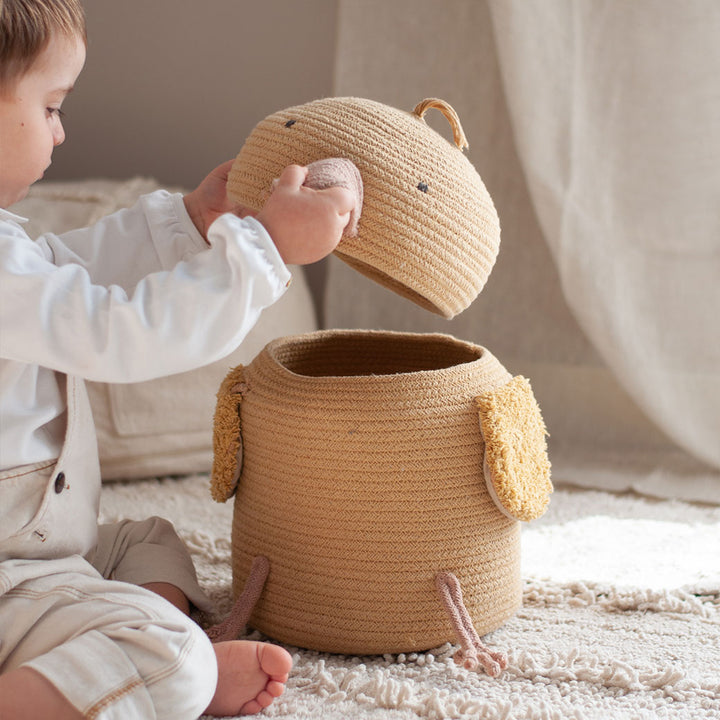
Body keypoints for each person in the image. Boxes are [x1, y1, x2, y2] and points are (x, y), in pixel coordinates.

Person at [0, 0, 355, 717]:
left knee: (149, 540)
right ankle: (134, 663)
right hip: (12, 568)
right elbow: (118, 329)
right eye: (51, 106)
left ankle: (100, 644)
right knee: (175, 653)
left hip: (35, 545)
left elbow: (69, 270)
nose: (62, 131)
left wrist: (190, 223)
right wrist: (264, 252)